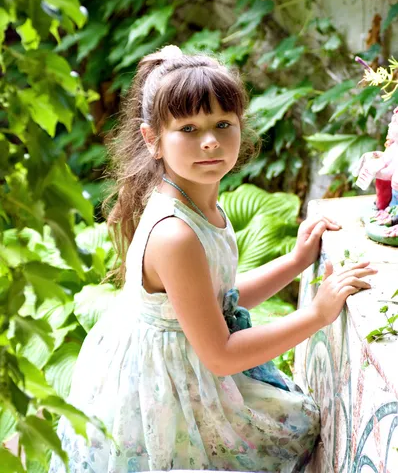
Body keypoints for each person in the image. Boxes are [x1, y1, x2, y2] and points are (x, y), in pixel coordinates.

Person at [49, 46, 377, 473]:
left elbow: (220, 297)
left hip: (189, 361)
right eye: (188, 128)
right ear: (153, 140)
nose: (210, 141)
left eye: (223, 124)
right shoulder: (175, 233)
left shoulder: (199, 201)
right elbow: (220, 354)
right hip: (163, 390)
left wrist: (295, 262)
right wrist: (317, 313)